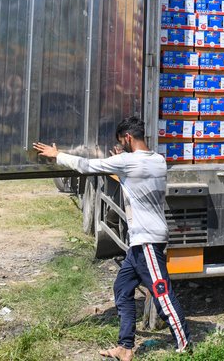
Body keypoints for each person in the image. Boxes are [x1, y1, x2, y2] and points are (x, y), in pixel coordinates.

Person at [34, 116, 191, 360]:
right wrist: (120, 163)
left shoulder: (127, 162)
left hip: (147, 240)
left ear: (127, 138)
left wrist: (58, 155)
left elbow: (86, 166)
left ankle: (185, 345)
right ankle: (125, 348)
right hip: (146, 239)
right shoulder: (158, 161)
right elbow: (136, 181)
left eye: (121, 141)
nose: (121, 146)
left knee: (162, 293)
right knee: (122, 287)